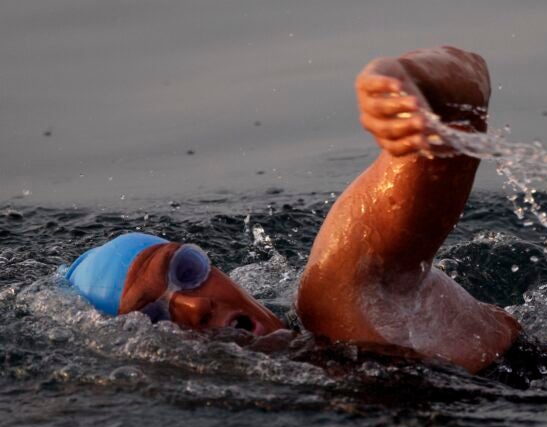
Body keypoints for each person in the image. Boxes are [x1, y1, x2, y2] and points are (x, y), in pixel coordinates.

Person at [66, 46, 523, 376]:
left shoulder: (340, 298)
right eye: (152, 317)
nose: (195, 304)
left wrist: (406, 81)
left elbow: (465, 90)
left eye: (185, 270)